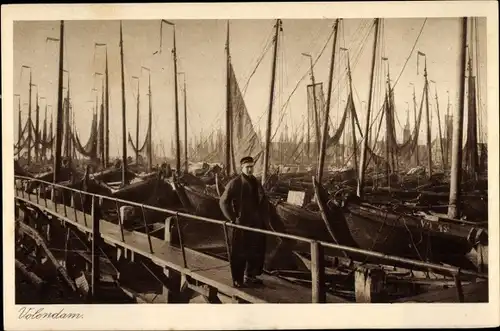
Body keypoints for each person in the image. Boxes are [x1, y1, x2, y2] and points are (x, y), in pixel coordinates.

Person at [219, 156, 268, 288]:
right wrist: (233, 218)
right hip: (241, 224)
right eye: (248, 167)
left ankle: (250, 276)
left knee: (255, 250)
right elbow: (223, 202)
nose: (250, 169)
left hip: (256, 223)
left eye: (252, 167)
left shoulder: (256, 182)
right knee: (239, 253)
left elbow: (262, 200)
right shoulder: (235, 183)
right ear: (242, 168)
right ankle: (237, 280)